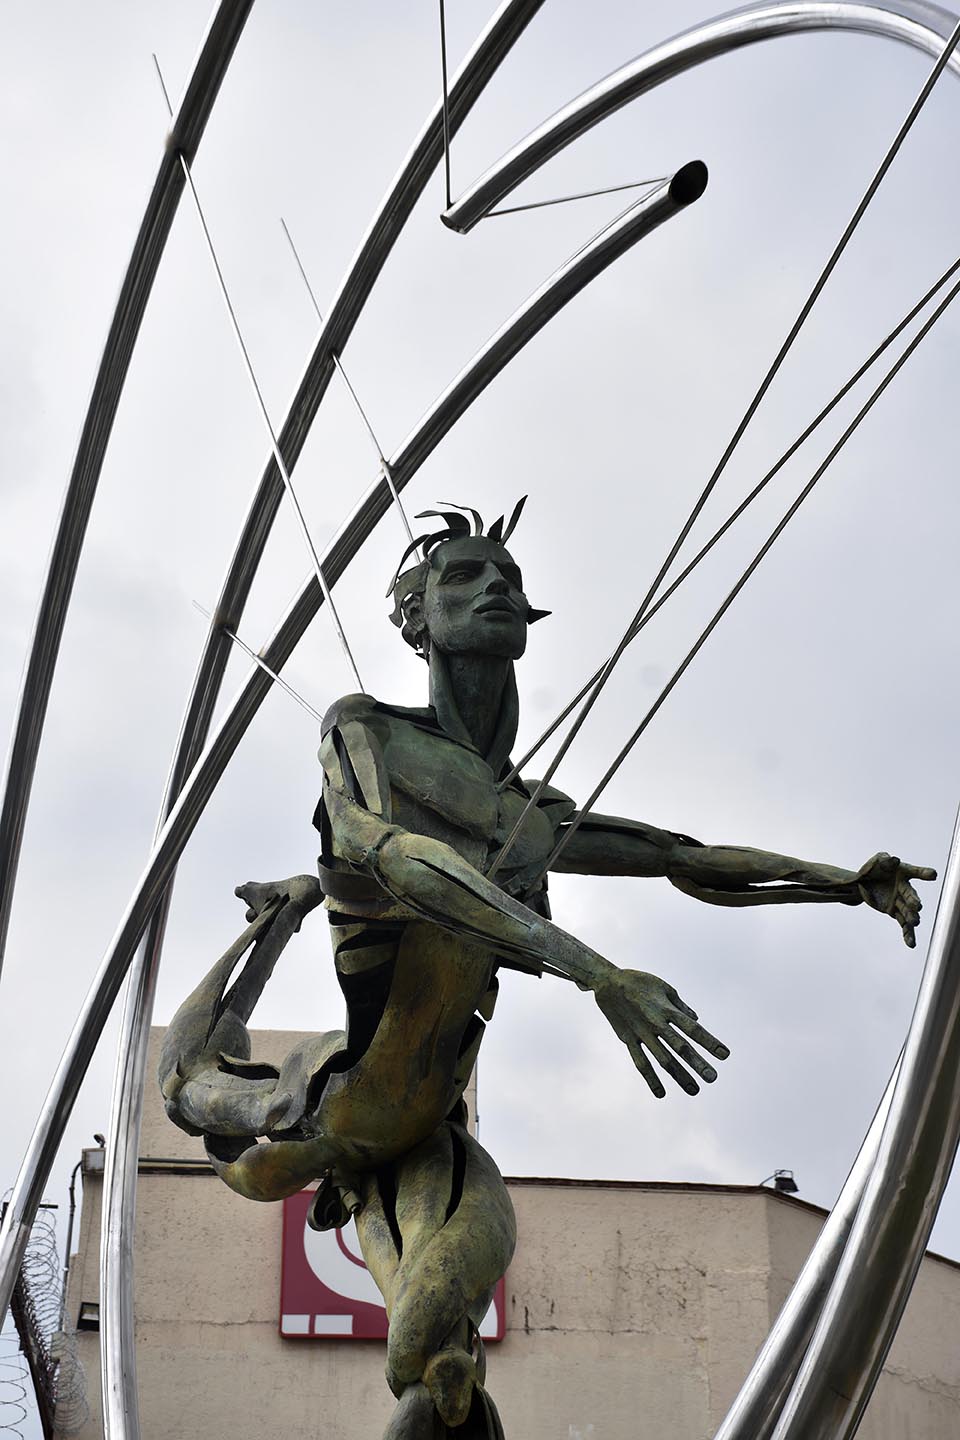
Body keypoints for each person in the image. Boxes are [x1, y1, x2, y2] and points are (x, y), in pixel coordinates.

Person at [161, 502, 935, 1439]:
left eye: (506, 580)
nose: (491, 589)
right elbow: (393, 854)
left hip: (430, 1133)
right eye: (461, 577)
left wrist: (843, 883)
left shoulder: (530, 812)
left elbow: (681, 856)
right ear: (415, 622)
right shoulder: (364, 733)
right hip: (331, 1107)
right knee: (187, 1088)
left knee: (431, 1356)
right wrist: (595, 972)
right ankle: (273, 917)